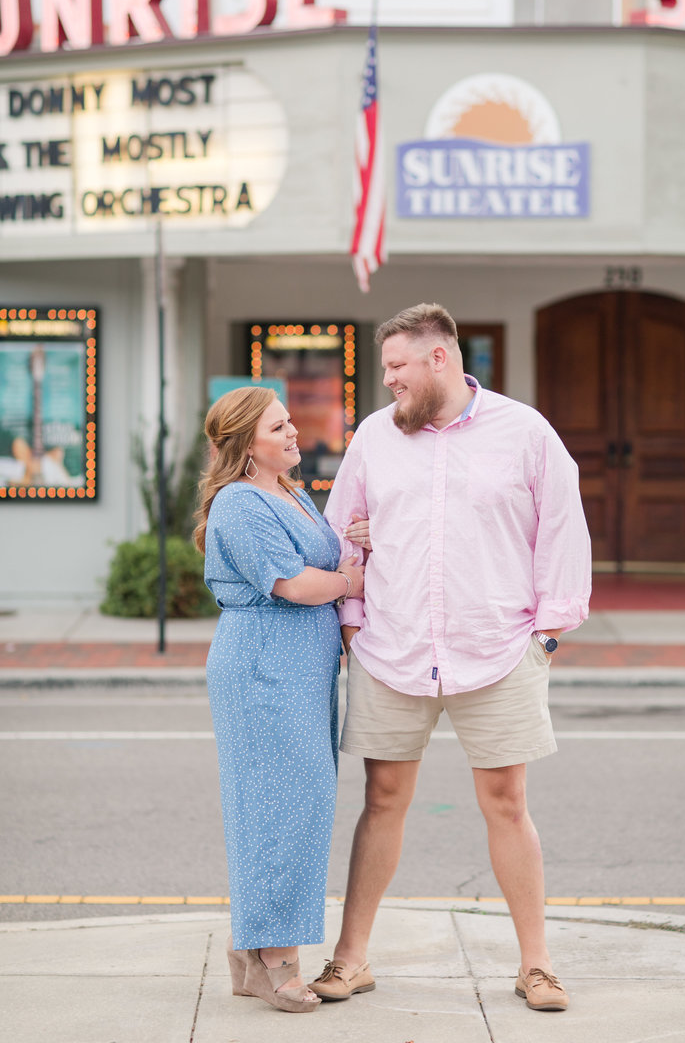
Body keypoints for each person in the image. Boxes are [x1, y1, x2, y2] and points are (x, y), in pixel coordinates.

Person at [310, 303, 591, 1013]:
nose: (388, 380)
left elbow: (562, 526)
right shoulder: (374, 437)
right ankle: (351, 958)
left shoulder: (526, 433)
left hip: (496, 648)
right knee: (381, 800)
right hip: (391, 650)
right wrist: (352, 624)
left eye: (397, 366)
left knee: (507, 803)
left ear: (440, 358)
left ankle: (537, 966)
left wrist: (548, 632)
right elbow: (340, 533)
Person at [194, 386, 365, 1014]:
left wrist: (353, 541)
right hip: (263, 669)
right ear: (245, 445)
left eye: (290, 421)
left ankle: (252, 952)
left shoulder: (288, 491)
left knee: (299, 803)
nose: (294, 432)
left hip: (300, 671)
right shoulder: (241, 502)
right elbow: (292, 584)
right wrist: (350, 581)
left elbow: (318, 558)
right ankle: (276, 960)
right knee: (279, 808)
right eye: (277, 427)